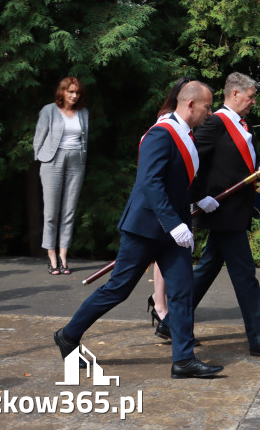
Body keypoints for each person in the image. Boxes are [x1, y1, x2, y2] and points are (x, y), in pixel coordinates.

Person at [53, 80, 224, 379]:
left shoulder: (186, 135)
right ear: (191, 104)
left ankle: (183, 360)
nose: (210, 113)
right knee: (118, 289)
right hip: (146, 228)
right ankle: (68, 335)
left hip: (173, 232)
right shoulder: (160, 133)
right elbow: (151, 183)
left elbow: (182, 176)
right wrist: (175, 225)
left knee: (183, 291)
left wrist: (200, 197)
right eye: (208, 107)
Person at [158, 72, 260, 358]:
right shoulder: (216, 122)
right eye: (250, 96)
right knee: (246, 277)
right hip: (221, 211)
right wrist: (197, 197)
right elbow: (187, 161)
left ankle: (170, 323)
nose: (254, 102)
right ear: (234, 94)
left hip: (235, 210)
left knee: (207, 269)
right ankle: (259, 339)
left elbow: (238, 162)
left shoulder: (242, 124)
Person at [146, 77, 194, 338]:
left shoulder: (185, 125)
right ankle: (160, 304)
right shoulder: (166, 125)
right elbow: (154, 177)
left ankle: (182, 350)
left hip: (175, 205)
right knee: (119, 286)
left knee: (178, 273)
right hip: (161, 209)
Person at [33, 76, 89, 275]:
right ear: (62, 92)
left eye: (77, 92)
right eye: (70, 91)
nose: (74, 96)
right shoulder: (49, 110)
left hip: (76, 162)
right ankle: (51, 256)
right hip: (52, 161)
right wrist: (41, 158)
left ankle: (64, 256)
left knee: (69, 211)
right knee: (51, 212)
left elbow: (85, 139)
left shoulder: (83, 113)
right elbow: (38, 138)